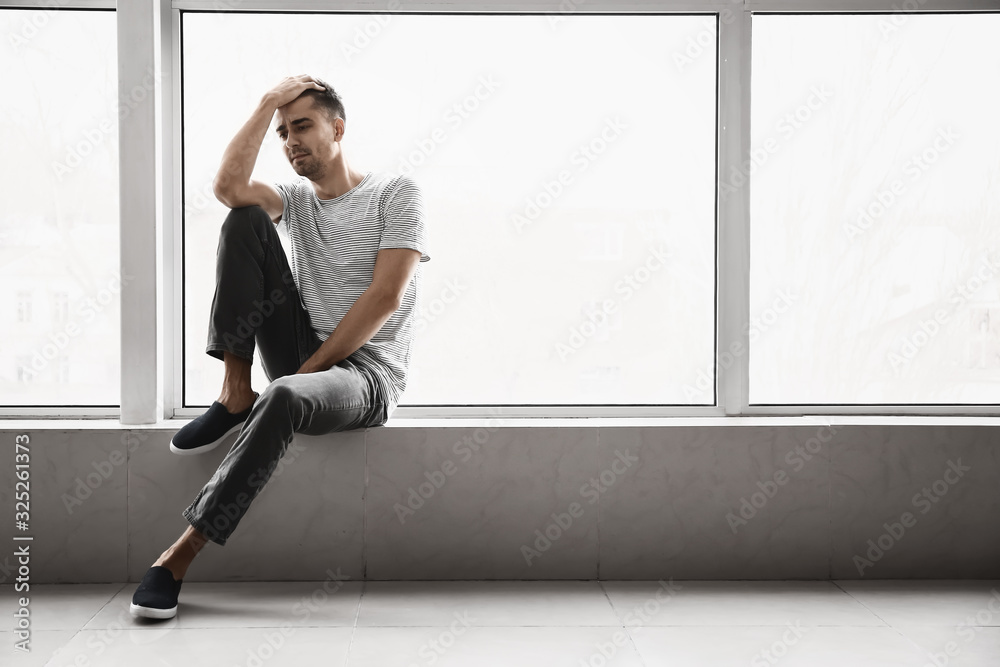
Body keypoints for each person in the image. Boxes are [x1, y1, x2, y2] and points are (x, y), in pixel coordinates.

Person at [130, 74, 431, 619]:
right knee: (243, 217)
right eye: (282, 132)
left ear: (337, 128)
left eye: (302, 126)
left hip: (366, 376)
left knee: (289, 394)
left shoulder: (395, 191)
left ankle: (177, 556)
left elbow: (385, 298)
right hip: (303, 349)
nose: (291, 141)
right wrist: (266, 101)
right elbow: (228, 188)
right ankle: (235, 392)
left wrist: (305, 373)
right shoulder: (295, 201)